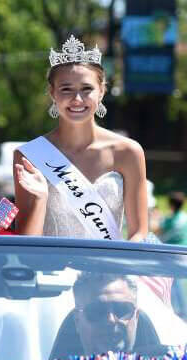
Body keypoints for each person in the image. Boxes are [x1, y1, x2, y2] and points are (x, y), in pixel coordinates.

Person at [14, 35, 148, 241]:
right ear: (52, 93)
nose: (77, 99)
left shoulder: (128, 152)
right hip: (50, 271)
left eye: (87, 89)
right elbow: (24, 240)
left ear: (102, 91)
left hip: (109, 270)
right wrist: (40, 198)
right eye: (66, 89)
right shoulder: (29, 155)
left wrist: (116, 270)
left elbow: (139, 232)